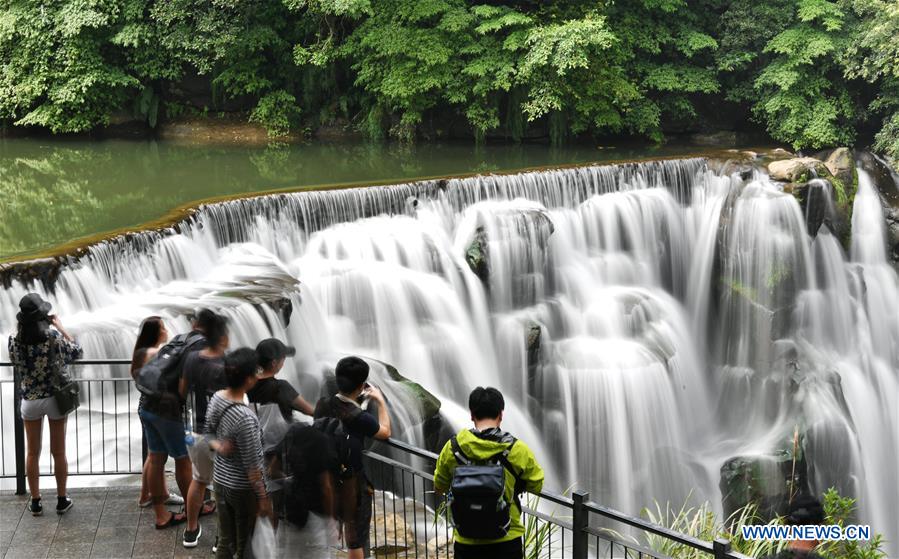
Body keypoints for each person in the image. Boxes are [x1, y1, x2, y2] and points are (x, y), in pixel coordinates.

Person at [433, 387, 545, 559]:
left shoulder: (453, 448)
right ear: (501, 414)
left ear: (472, 415)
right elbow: (537, 485)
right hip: (507, 538)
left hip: (466, 540)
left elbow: (439, 486)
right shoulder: (517, 450)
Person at [139, 308, 216, 529]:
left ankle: (161, 515)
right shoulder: (201, 347)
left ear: (194, 325)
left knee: (155, 459)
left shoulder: (180, 339)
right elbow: (189, 385)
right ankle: (195, 508)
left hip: (147, 403)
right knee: (183, 460)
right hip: (167, 409)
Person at [8, 293, 82, 517]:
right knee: (58, 452)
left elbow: (15, 362)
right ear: (42, 316)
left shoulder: (14, 340)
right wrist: (61, 328)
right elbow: (76, 352)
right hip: (54, 398)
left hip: (29, 400)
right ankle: (61, 500)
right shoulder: (52, 338)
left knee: (32, 452)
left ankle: (36, 502)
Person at [313, 356, 392, 559]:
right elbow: (385, 432)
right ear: (361, 385)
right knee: (356, 538)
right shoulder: (358, 416)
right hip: (352, 484)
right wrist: (380, 401)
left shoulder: (322, 404)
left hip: (325, 477)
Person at [204, 348, 272, 559]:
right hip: (242, 489)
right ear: (249, 379)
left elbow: (207, 434)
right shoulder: (245, 419)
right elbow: (253, 467)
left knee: (226, 539)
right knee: (246, 546)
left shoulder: (217, 398)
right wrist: (262, 498)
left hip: (220, 482)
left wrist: (219, 446)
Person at [179, 313, 229, 548]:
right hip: (221, 434)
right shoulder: (227, 365)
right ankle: (221, 538)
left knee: (198, 480)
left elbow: (182, 389)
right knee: (223, 486)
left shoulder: (192, 359)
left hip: (195, 430)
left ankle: (190, 530)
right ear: (222, 337)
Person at [131, 316, 183, 510]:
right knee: (161, 457)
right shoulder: (157, 353)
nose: (166, 330)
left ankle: (146, 495)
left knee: (154, 455)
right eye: (162, 327)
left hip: (144, 405)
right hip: (160, 408)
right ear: (155, 333)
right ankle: (160, 495)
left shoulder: (140, 352)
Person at [248, 338, 314, 420]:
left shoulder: (244, 383)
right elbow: (312, 412)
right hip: (279, 431)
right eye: (283, 360)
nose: (283, 364)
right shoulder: (280, 388)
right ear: (274, 363)